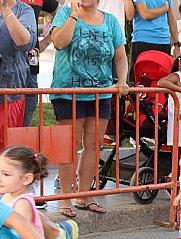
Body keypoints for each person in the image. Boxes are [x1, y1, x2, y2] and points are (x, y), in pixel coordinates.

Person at [50, 0, 128, 218]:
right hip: (68, 92)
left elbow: (120, 56)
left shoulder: (110, 21)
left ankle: (84, 195)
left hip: (100, 92)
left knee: (94, 144)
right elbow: (58, 42)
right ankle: (65, 197)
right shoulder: (65, 14)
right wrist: (74, 15)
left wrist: (121, 80)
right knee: (69, 145)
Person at [0, 0, 37, 157]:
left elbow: (24, 42)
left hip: (9, 94)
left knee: (1, 152)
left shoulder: (24, 10)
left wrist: (6, 10)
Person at [19, 0, 59, 128]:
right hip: (0, 68)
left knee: (25, 125)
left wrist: (47, 41)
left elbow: (60, 13)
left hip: (30, 68)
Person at [125, 0, 180, 81]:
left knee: (163, 81)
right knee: (140, 81)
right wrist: (164, 8)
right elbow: (145, 14)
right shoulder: (165, 6)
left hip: (163, 41)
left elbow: (172, 19)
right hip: (143, 40)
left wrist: (176, 44)